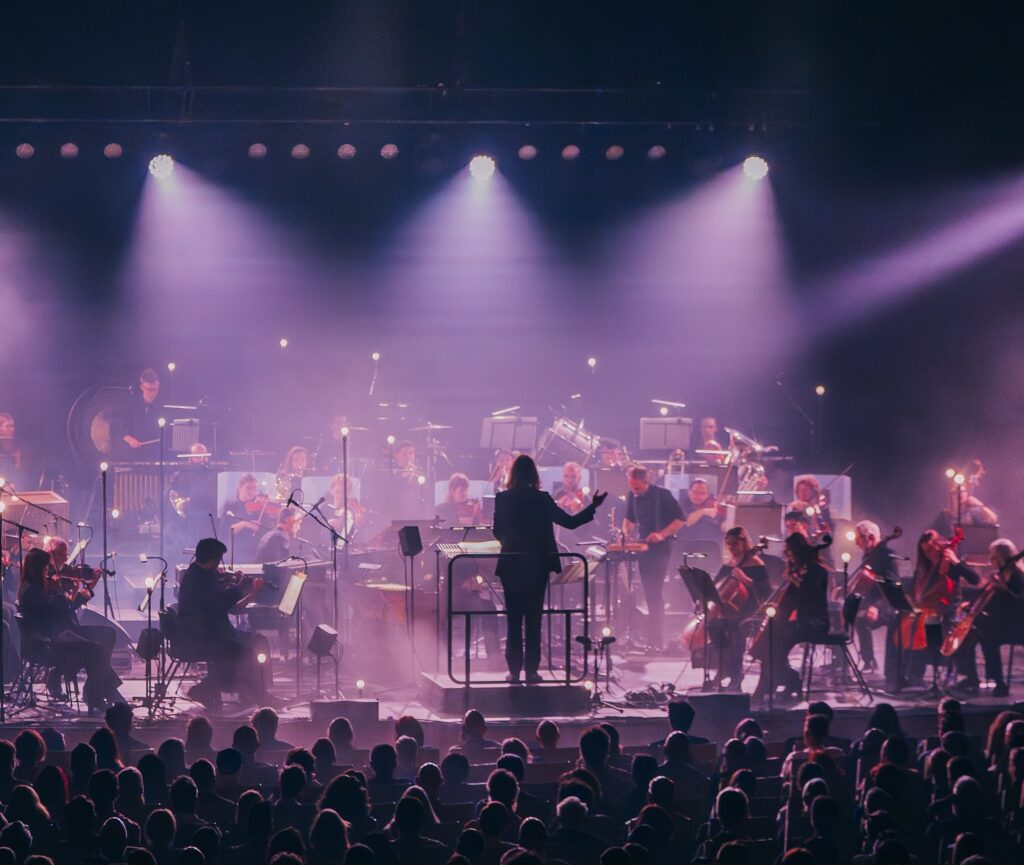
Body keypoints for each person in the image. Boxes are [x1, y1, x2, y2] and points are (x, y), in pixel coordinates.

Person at [493, 455, 606, 683]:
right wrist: (593, 506)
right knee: (534, 618)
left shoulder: (503, 498)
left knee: (513, 619)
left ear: (513, 474)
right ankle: (532, 671)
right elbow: (570, 523)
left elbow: (497, 531)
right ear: (534, 475)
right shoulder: (542, 498)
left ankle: (513, 672)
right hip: (537, 564)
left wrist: (512, 542)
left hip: (512, 564)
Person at [18, 546, 123, 712]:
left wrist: (75, 592)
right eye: (45, 569)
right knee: (96, 650)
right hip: (54, 641)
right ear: (38, 569)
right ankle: (98, 693)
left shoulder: (34, 587)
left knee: (108, 634)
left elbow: (63, 610)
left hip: (62, 632)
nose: (48, 573)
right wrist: (66, 594)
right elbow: (60, 612)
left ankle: (98, 690)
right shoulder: (34, 591)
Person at [177, 537, 266, 708]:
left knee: (259, 642)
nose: (218, 566)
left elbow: (222, 602)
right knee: (244, 653)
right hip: (205, 636)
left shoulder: (200, 574)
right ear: (212, 560)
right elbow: (222, 603)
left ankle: (259, 693)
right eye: (218, 561)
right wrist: (237, 586)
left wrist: (233, 583)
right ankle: (215, 690)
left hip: (214, 631)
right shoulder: (198, 579)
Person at [751, 533, 830, 701]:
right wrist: (774, 605)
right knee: (770, 643)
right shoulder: (798, 571)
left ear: (797, 551)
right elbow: (790, 601)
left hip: (813, 622)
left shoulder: (817, 571)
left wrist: (794, 580)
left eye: (789, 551)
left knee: (773, 645)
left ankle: (786, 681)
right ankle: (778, 683)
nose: (787, 555)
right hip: (799, 620)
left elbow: (809, 599)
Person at [899, 530, 979, 690]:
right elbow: (915, 590)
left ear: (940, 545)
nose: (929, 554)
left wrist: (956, 561)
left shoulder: (951, 562)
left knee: (935, 628)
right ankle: (914, 676)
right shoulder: (925, 569)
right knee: (914, 626)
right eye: (925, 551)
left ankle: (953, 674)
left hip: (951, 611)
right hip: (932, 612)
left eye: (931, 549)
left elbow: (975, 579)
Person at [950, 538, 1024, 697]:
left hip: (1016, 626)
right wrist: (969, 605)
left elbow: (1019, 603)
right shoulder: (1000, 575)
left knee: (986, 636)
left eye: (994, 557)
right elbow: (984, 597)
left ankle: (998, 682)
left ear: (1003, 557)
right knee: (970, 633)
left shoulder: (1017, 576)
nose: (991, 560)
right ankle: (971, 677)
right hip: (1000, 624)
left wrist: (1003, 587)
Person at [622, 465, 684, 654]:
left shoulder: (662, 496)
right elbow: (629, 520)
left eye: (637, 487)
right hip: (643, 548)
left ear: (646, 481)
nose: (634, 491)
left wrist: (661, 534)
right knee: (648, 594)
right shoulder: (632, 496)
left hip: (660, 550)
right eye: (632, 487)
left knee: (654, 594)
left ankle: (656, 640)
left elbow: (680, 520)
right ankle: (646, 638)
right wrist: (626, 532)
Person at [707, 527, 769, 690]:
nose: (731, 547)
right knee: (714, 625)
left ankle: (736, 673)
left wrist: (746, 579)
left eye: (734, 543)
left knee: (736, 629)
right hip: (728, 610)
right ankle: (723, 670)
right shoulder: (728, 565)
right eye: (728, 544)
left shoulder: (756, 564)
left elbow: (766, 591)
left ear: (744, 543)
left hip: (749, 610)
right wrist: (703, 600)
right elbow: (715, 588)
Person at [122, 368, 162, 453]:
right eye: (149, 389)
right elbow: (122, 431)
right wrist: (131, 440)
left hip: (158, 453)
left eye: (155, 389)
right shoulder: (131, 404)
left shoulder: (163, 406)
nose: (152, 393)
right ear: (142, 387)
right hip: (136, 453)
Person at [678, 478, 723, 545]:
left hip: (711, 546)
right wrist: (703, 511)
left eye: (702, 493)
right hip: (687, 546)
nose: (698, 496)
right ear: (689, 492)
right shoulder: (682, 505)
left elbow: (724, 526)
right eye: (695, 492)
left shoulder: (713, 506)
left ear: (707, 495)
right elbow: (688, 522)